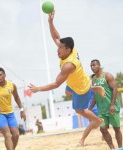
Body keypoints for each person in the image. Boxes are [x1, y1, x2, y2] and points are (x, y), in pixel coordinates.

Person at [29, 11, 104, 144]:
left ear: (68, 49)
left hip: (81, 88)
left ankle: (97, 120)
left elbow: (56, 84)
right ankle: (94, 89)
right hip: (75, 81)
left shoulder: (68, 65)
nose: (57, 50)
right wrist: (50, 22)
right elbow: (56, 37)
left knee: (79, 110)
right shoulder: (70, 49)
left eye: (60, 48)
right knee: (67, 92)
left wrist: (38, 89)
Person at [0, 67, 26, 150]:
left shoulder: (12, 85)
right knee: (7, 134)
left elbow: (17, 97)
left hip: (10, 113)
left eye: (0, 75)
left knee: (16, 134)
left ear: (4, 75)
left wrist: (22, 110)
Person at [89, 59, 122, 149]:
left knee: (116, 128)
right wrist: (90, 108)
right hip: (102, 109)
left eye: (94, 65)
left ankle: (120, 147)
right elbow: (96, 95)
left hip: (111, 107)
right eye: (91, 66)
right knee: (103, 129)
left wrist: (112, 104)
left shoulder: (107, 75)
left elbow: (115, 89)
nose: (92, 67)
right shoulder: (94, 80)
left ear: (99, 65)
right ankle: (112, 148)